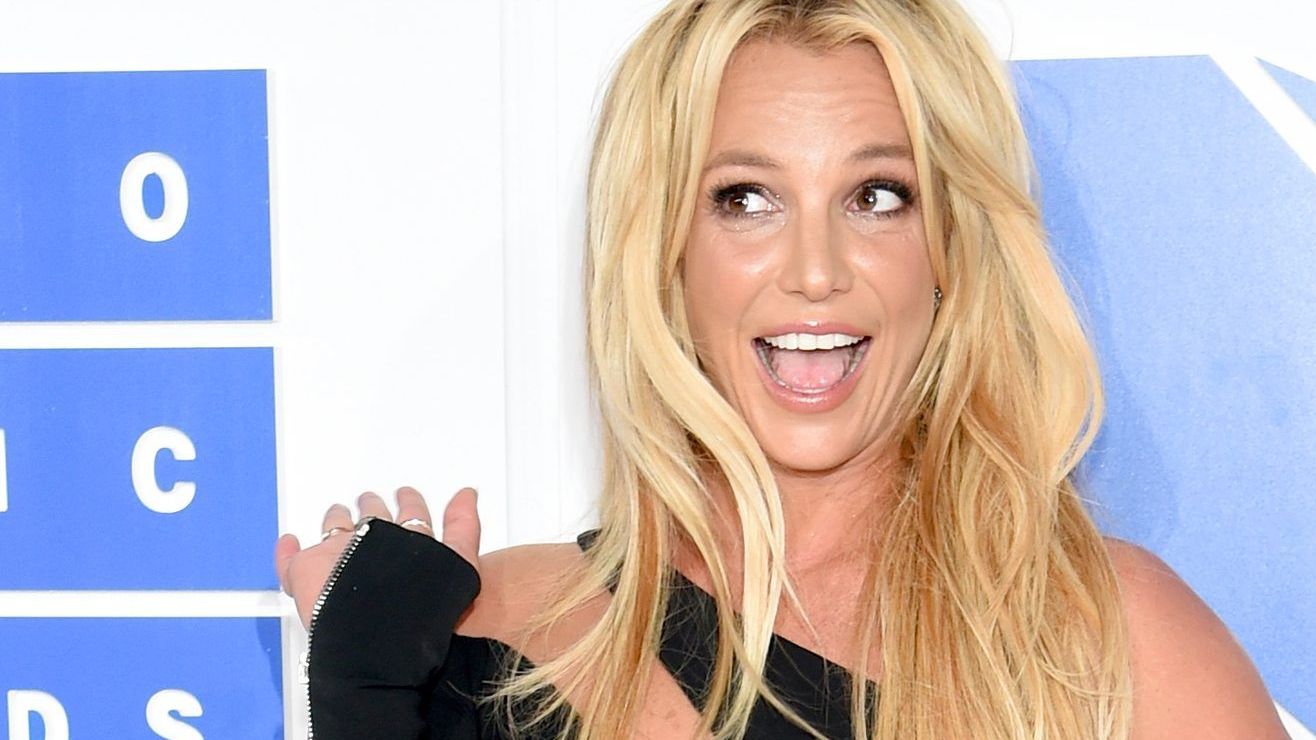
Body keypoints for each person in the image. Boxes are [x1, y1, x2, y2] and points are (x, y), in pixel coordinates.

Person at [275, 0, 1290, 737]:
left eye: (877, 196)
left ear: (950, 250)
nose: (814, 270)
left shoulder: (1115, 646)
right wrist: (365, 703)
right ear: (663, 250)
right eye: (745, 199)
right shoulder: (496, 631)